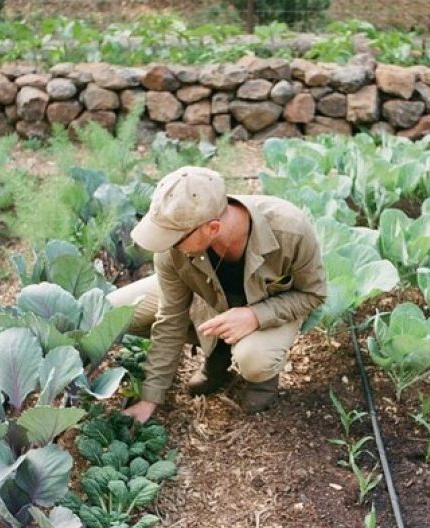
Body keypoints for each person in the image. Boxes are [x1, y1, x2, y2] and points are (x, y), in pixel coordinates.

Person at [108, 165, 327, 423]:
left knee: (253, 359)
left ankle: (262, 380)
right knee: (112, 312)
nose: (166, 245)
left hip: (270, 305)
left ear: (212, 228)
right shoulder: (173, 249)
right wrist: (150, 398)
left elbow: (313, 294)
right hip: (209, 297)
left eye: (175, 239)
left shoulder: (290, 230)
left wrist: (255, 316)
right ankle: (218, 354)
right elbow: (170, 317)